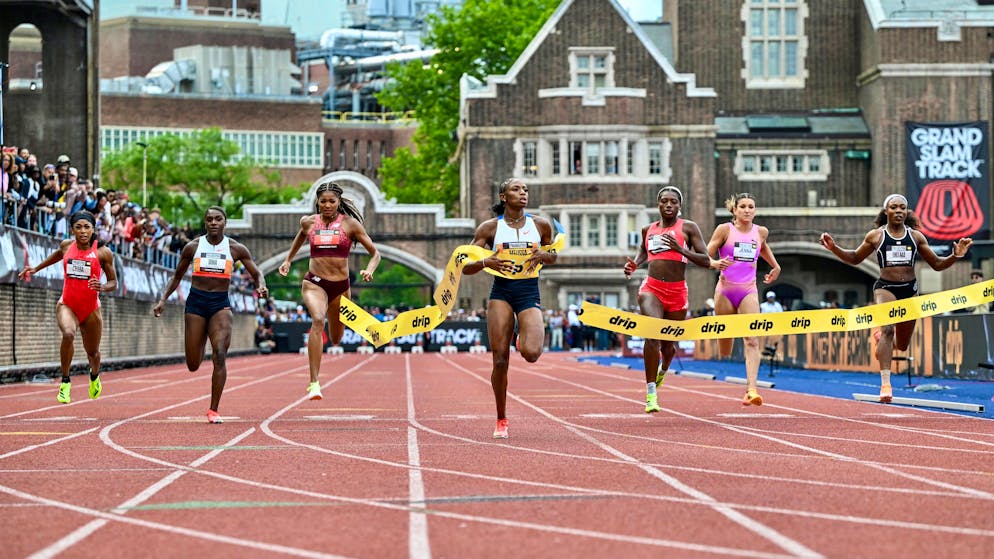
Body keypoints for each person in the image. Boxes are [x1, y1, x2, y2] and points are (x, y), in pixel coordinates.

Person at [820, 193, 971, 402]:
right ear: (886, 211)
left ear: (906, 212)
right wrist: (834, 248)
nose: (898, 211)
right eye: (894, 207)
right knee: (888, 329)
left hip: (909, 289)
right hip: (885, 288)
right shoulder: (876, 236)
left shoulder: (916, 237)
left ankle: (880, 339)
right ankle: (885, 384)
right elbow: (855, 258)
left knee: (902, 345)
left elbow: (937, 264)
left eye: (902, 207)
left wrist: (956, 256)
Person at [153, 206, 268, 424]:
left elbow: (256, 273)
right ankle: (203, 336)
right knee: (193, 364)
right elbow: (176, 276)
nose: (213, 223)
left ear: (225, 222)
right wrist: (162, 300)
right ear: (205, 223)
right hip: (196, 303)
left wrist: (261, 286)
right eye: (209, 219)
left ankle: (213, 410)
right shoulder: (192, 247)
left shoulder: (236, 249)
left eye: (218, 219)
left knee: (220, 354)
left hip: (220, 304)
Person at [463, 178, 558, 438]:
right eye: (516, 189)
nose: (523, 193)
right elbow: (465, 265)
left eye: (525, 189)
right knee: (500, 359)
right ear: (503, 197)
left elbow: (553, 255)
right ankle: (501, 418)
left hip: (528, 292)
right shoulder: (489, 228)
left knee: (532, 353)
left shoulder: (540, 225)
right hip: (502, 293)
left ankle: (519, 336)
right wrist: (486, 262)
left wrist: (545, 256)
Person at [623, 186, 729, 413]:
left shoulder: (688, 227)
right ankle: (651, 393)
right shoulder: (648, 229)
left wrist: (681, 250)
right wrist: (635, 264)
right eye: (664, 201)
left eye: (673, 201)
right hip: (652, 288)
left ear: (680, 205)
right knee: (653, 333)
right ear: (658, 204)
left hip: (677, 292)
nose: (669, 205)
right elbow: (643, 251)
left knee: (668, 346)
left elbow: (705, 260)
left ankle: (663, 369)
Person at [278, 182, 380, 400]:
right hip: (314, 283)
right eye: (323, 201)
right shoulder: (308, 222)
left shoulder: (350, 225)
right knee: (317, 320)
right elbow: (300, 238)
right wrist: (288, 260)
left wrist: (369, 270)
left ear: (338, 202)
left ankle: (328, 348)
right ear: (317, 202)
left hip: (340, 287)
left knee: (336, 338)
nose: (327, 205)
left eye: (331, 201)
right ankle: (314, 383)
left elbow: (375, 254)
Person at [18, 211, 118, 403]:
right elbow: (57, 255)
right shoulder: (66, 246)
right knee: (68, 334)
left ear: (93, 229)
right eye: (78, 227)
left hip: (91, 308)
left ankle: (94, 376)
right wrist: (36, 268)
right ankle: (65, 382)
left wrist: (103, 286)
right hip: (67, 304)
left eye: (87, 227)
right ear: (72, 229)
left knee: (93, 353)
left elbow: (114, 282)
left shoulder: (103, 252)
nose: (83, 231)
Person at [706, 193, 781, 406]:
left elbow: (762, 247)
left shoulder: (761, 232)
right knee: (725, 347)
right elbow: (705, 254)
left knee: (752, 339)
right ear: (735, 210)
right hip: (725, 290)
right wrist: (714, 263)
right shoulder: (724, 230)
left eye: (751, 206)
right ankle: (725, 358)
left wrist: (775, 266)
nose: (747, 210)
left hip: (749, 290)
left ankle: (752, 390)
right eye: (743, 206)